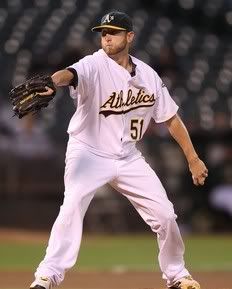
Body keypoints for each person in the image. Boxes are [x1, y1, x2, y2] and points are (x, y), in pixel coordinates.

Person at [29, 11, 208, 289]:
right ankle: (47, 276)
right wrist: (53, 83)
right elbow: (70, 74)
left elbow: (171, 118)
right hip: (88, 152)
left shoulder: (148, 75)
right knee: (72, 206)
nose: (107, 38)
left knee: (165, 215)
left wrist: (193, 157)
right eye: (103, 33)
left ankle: (177, 275)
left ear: (130, 37)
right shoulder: (94, 64)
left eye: (113, 32)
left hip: (128, 157)